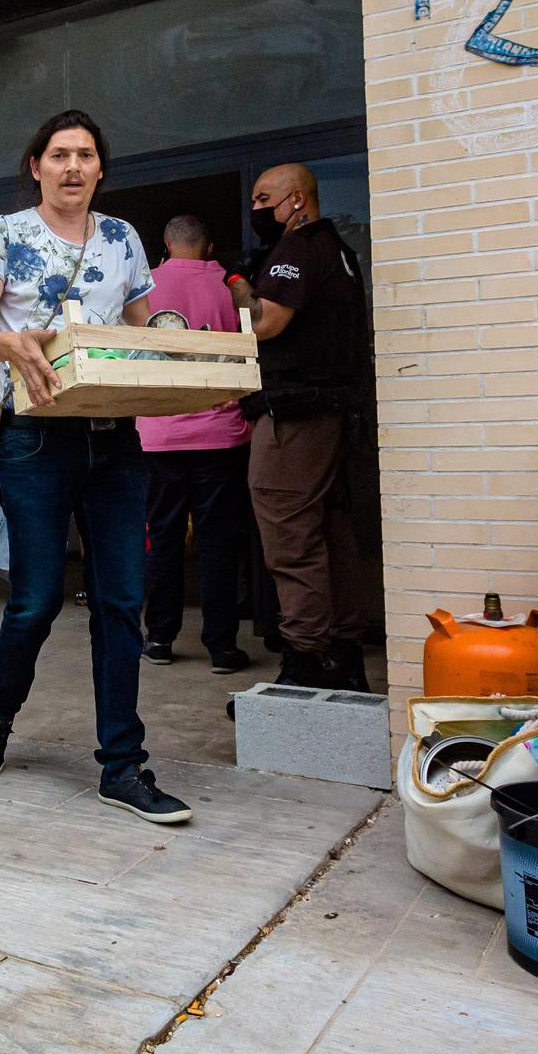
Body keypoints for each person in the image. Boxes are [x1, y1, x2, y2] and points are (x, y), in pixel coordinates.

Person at [0, 108, 190, 825]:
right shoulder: (6, 234)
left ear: (100, 169)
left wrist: (176, 342)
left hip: (114, 439)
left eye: (86, 155)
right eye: (59, 155)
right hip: (34, 440)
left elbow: (147, 326)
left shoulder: (121, 239)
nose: (73, 167)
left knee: (121, 601)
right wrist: (12, 345)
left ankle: (123, 766)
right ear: (37, 166)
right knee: (37, 598)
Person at [227, 162, 371, 692]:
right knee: (331, 534)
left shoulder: (299, 247)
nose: (256, 208)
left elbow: (265, 321)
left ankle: (303, 662)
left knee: (288, 534)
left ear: (298, 201)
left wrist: (240, 281)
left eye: (265, 198)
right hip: (330, 414)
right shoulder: (340, 252)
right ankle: (344, 656)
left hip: (294, 415)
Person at [137, 215, 252, 674]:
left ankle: (160, 638)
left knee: (162, 536)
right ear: (208, 247)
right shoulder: (229, 285)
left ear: (165, 245)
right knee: (218, 540)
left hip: (158, 435)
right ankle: (222, 647)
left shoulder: (143, 286)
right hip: (219, 434)